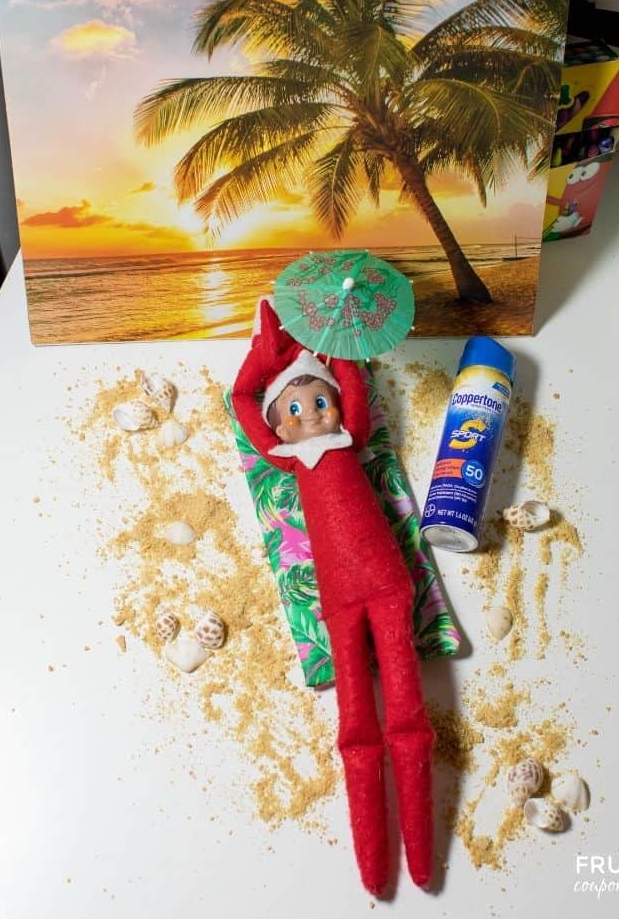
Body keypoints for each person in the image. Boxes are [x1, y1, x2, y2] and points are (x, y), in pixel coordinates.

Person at [232, 299, 434, 895]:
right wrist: (267, 351)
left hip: (389, 584)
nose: (313, 413)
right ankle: (375, 871)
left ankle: (422, 861)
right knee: (356, 727)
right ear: (278, 426)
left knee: (409, 716)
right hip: (339, 601)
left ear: (339, 406)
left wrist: (335, 339)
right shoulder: (285, 459)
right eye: (295, 409)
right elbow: (242, 397)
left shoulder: (352, 437)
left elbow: (349, 376)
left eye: (321, 401)